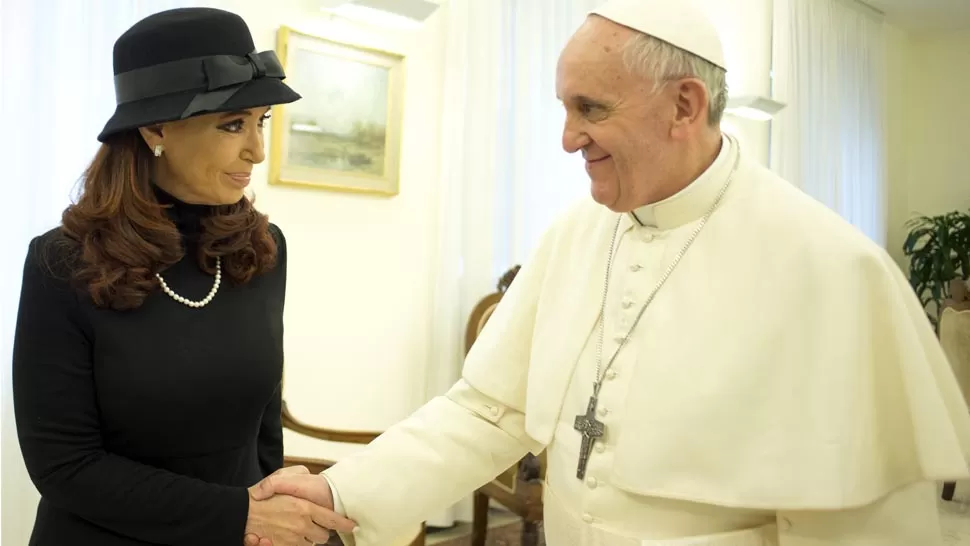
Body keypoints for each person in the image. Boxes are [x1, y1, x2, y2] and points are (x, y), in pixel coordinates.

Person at [249, 0, 970, 545]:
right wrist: (342, 494)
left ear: (684, 105)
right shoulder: (576, 235)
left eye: (589, 108)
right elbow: (488, 409)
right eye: (564, 108)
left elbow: (863, 521)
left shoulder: (831, 267)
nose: (567, 138)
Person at [11, 7, 355, 546]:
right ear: (155, 128)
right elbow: (63, 466)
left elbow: (262, 428)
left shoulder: (262, 250)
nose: (257, 151)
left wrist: (264, 516)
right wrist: (238, 516)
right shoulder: (63, 263)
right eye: (232, 125)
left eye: (260, 121)